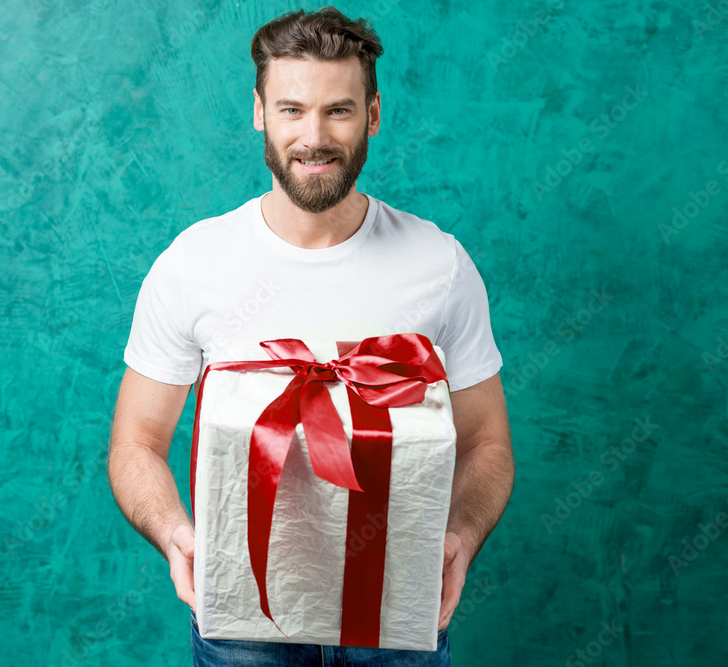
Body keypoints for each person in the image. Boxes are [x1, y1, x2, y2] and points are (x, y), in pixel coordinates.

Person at [107, 6, 515, 666]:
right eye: (292, 109)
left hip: (397, 606)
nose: (314, 135)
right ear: (259, 112)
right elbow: (135, 442)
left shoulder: (438, 265)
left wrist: (462, 535)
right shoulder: (194, 263)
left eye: (339, 111)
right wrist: (176, 533)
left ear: (374, 115)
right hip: (242, 618)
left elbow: (489, 442)